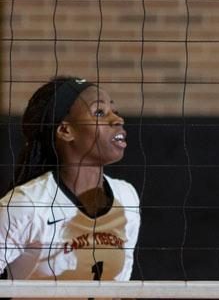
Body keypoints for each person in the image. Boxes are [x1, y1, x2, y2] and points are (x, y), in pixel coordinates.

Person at [0, 76, 140, 281]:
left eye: (115, 111)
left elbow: (121, 286)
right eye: (100, 112)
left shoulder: (126, 197)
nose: (118, 120)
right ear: (66, 130)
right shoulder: (26, 204)